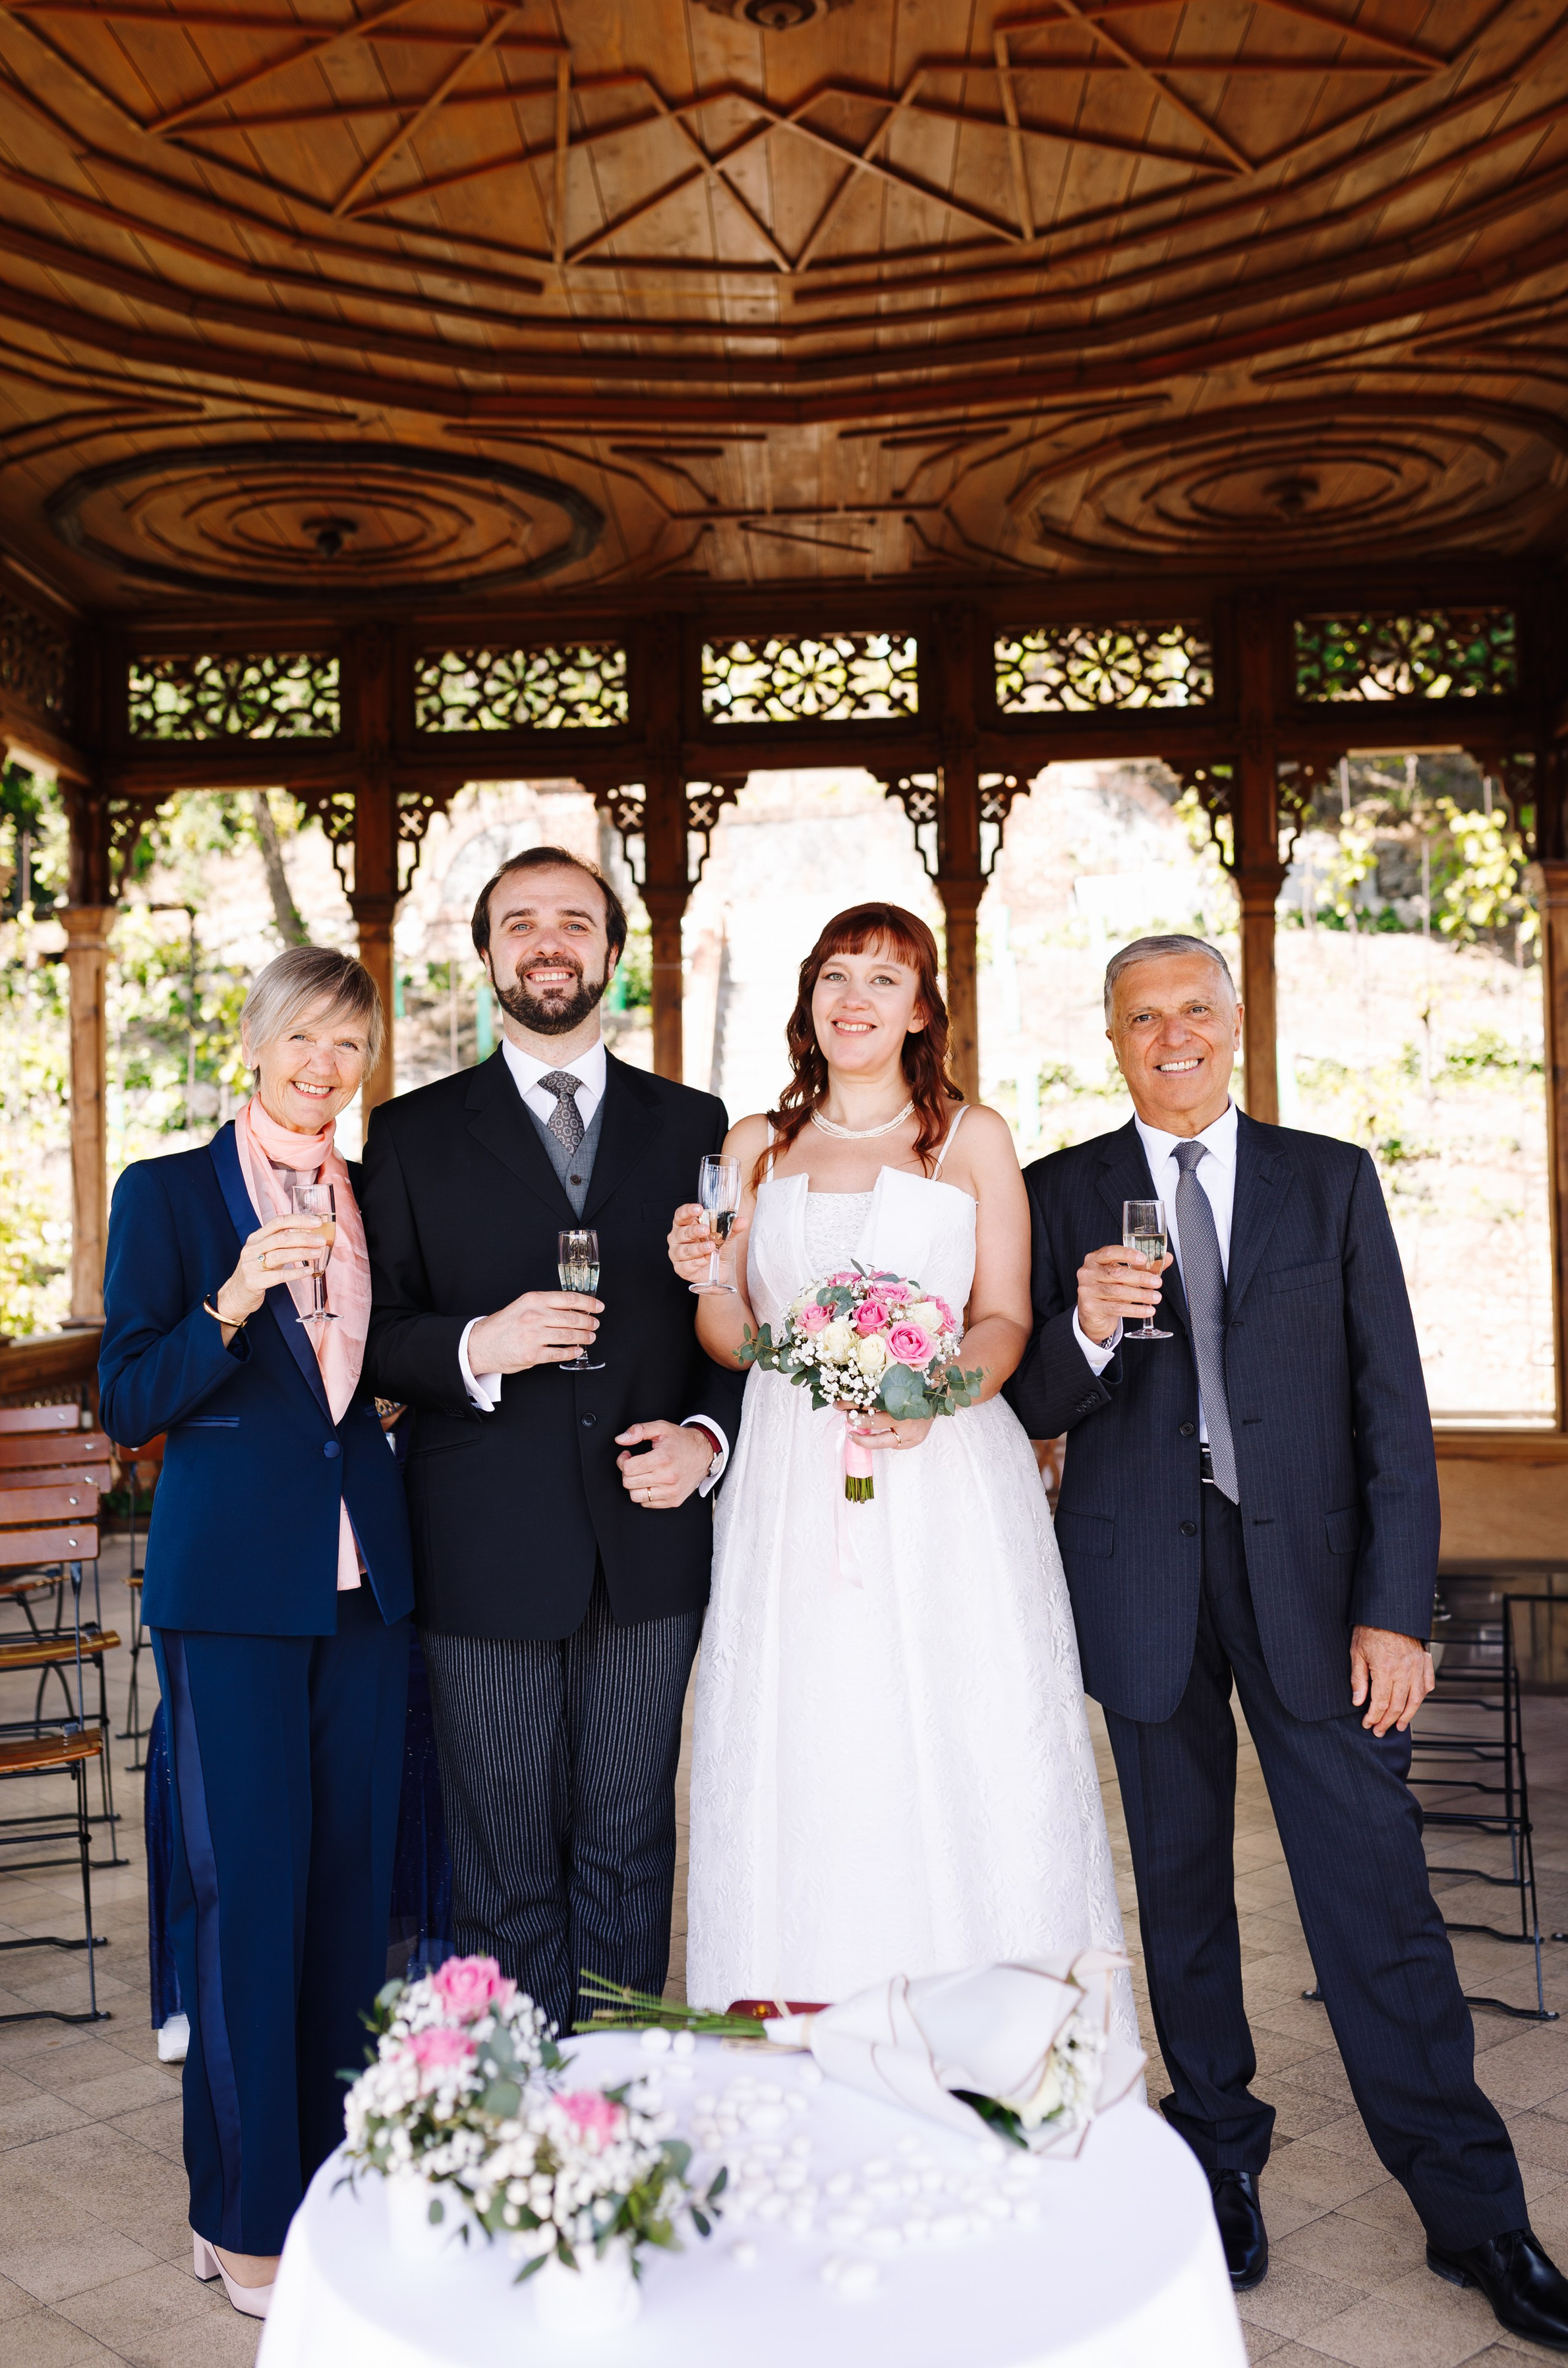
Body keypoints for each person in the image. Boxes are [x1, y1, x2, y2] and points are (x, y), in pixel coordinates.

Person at [1006, 930, 1568, 2348]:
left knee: (1373, 1897)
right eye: (1142, 1017)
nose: (1171, 1035)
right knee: (1181, 1902)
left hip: (1317, 1593)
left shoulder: (1329, 1179)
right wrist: (1075, 1333)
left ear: (1234, 1020)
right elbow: (1013, 1408)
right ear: (1112, 1036)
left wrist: (1394, 1608)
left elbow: (1391, 1405)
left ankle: (1473, 2212)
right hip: (1138, 1586)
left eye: (1193, 1009)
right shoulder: (1055, 1191)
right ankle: (1216, 2162)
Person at [668, 903, 1133, 2017]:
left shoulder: (973, 1138)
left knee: (961, 1731)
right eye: (836, 975)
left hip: (943, 1478)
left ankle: (994, 2030)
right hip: (790, 1476)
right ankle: (796, 2026)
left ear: (921, 1009)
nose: (856, 999)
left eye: (885, 979)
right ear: (809, 999)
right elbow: (728, 1332)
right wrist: (710, 1282)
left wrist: (928, 1393)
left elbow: (1008, 1318)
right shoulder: (752, 1146)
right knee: (811, 1736)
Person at [361, 846, 744, 2036]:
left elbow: (737, 1319)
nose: (547, 942)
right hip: (481, 1548)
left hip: (649, 1545)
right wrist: (480, 1342)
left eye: (574, 921)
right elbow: (374, 1340)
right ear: (486, 956)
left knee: (631, 1843)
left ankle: (622, 2098)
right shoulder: (412, 1132)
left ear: (612, 955)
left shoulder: (696, 1122)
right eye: (519, 922)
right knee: (505, 1859)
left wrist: (704, 1440)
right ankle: (529, 2121)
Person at [100, 947, 413, 2322]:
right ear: (254, 1044)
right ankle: (238, 2214)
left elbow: (377, 1375)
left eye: (348, 1046)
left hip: (364, 1588)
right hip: (227, 1592)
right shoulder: (165, 1193)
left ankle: (334, 2190)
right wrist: (230, 1301)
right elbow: (125, 1396)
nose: (323, 1068)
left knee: (348, 1896)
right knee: (248, 1901)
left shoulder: (375, 1195)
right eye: (302, 1039)